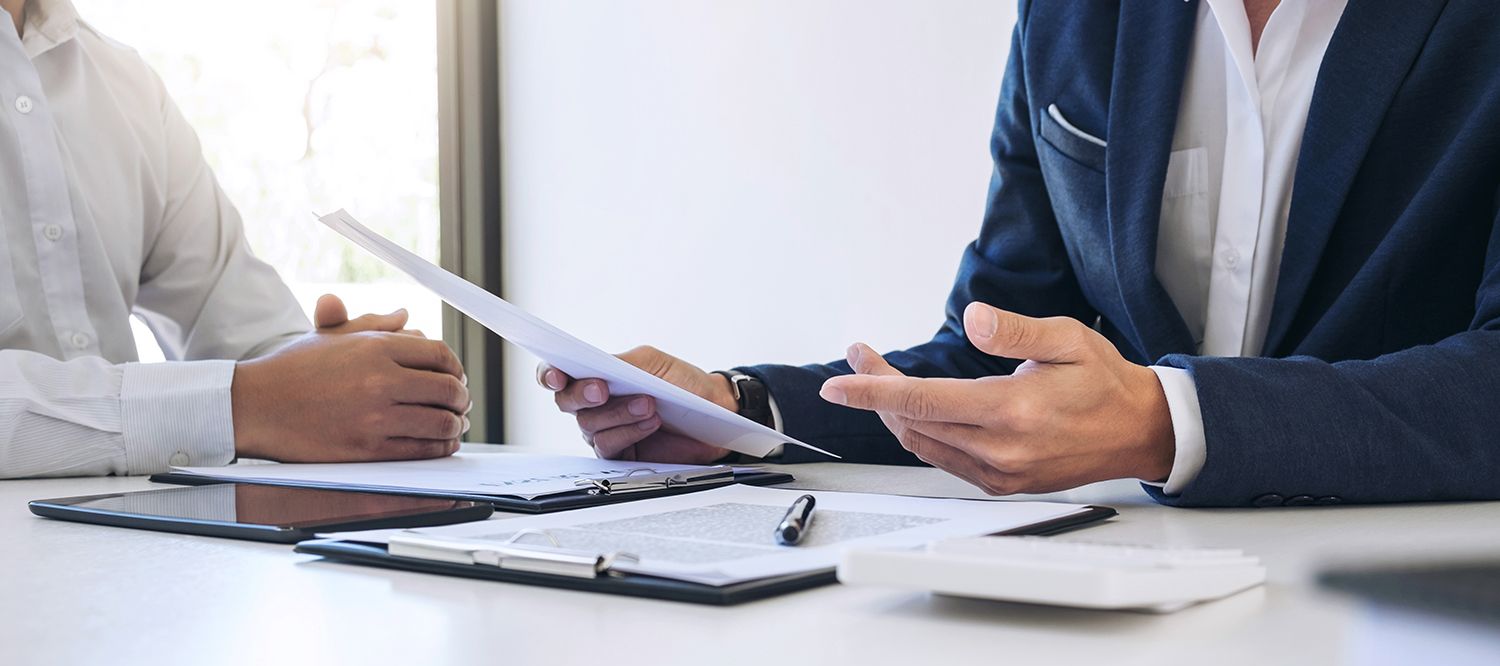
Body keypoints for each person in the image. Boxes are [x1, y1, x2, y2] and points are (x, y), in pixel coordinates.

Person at [545, 0, 1500, 508]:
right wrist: (741, 413)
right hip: (1117, 622)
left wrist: (1169, 421)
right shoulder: (1071, 13)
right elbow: (997, 357)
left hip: (1414, 628)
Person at [0, 0, 469, 479]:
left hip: (131, 544)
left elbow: (237, 324)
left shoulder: (126, 86)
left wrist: (347, 372)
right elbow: (258, 395)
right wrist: (246, 403)